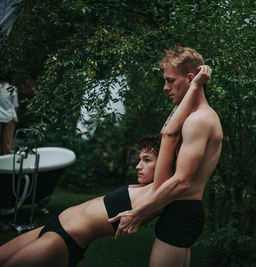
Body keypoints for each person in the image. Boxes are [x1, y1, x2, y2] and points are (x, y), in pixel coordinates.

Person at [0, 65, 211, 267]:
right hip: (52, 227)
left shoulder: (159, 190)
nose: (139, 166)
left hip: (63, 240)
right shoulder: (145, 188)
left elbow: (169, 134)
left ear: (166, 163)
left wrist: (194, 87)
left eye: (147, 160)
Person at [109, 46, 223, 267]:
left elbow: (182, 181)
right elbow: (168, 131)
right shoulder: (191, 117)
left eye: (171, 81)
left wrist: (139, 213)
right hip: (180, 213)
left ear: (190, 78)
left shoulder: (199, 121)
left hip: (182, 214)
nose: (165, 87)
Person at [0, 76, 18, 155]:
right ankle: (7, 158)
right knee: (8, 141)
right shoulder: (13, 88)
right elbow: (15, 105)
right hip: (10, 116)